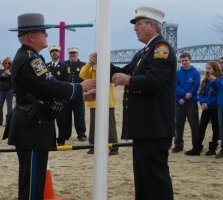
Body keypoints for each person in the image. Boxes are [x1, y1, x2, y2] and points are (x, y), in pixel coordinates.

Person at [4, 13, 96, 200]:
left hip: (32, 122)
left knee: (34, 182)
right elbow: (51, 85)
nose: (46, 35)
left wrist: (82, 96)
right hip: (32, 126)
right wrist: (79, 87)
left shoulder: (28, 57)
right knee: (32, 185)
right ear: (32, 36)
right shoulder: (31, 59)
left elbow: (44, 92)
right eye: (43, 32)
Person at [90, 6, 176, 199]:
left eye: (138, 24)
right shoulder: (144, 52)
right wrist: (102, 61)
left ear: (152, 25)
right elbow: (124, 71)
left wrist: (128, 80)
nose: (135, 28)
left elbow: (155, 80)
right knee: (143, 178)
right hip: (144, 127)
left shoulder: (161, 49)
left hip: (154, 127)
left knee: (155, 179)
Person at [79, 61, 119, 155]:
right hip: (94, 101)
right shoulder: (91, 69)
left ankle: (114, 146)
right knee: (93, 125)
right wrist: (89, 63)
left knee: (110, 125)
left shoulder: (108, 68)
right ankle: (92, 146)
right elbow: (82, 75)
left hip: (107, 101)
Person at [185, 61, 222, 156]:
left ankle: (213, 148)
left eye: (210, 68)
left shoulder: (218, 80)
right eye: (207, 68)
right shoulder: (205, 80)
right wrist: (203, 102)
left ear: (215, 69)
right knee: (201, 127)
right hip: (206, 107)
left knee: (215, 128)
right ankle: (197, 147)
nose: (208, 70)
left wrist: (208, 103)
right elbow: (201, 93)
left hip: (215, 107)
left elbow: (216, 94)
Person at [173, 53, 200, 153]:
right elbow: (175, 86)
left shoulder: (195, 72)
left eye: (186, 60)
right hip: (179, 102)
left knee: (194, 125)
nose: (184, 62)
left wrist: (186, 98)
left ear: (190, 60)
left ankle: (196, 145)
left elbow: (195, 86)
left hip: (191, 102)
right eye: (182, 60)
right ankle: (178, 144)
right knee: (178, 124)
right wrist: (184, 95)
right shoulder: (177, 73)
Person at [46, 44, 71, 146]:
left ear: (59, 53)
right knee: (49, 121)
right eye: (52, 51)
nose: (54, 53)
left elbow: (66, 82)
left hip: (60, 98)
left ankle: (61, 140)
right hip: (49, 98)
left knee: (61, 121)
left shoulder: (65, 67)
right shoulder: (45, 66)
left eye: (56, 51)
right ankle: (51, 139)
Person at [63, 47, 87, 141]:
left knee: (79, 115)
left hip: (78, 94)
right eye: (71, 53)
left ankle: (81, 134)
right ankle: (66, 134)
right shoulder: (64, 65)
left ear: (78, 54)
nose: (72, 55)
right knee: (66, 116)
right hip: (67, 94)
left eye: (74, 53)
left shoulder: (83, 65)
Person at [0, 57, 13, 127]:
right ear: (3, 63)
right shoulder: (1, 71)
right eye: (5, 63)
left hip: (9, 90)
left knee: (9, 107)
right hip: (1, 90)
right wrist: (2, 75)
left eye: (8, 63)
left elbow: (14, 80)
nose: (7, 64)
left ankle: (8, 122)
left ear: (10, 64)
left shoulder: (12, 71)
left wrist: (10, 75)